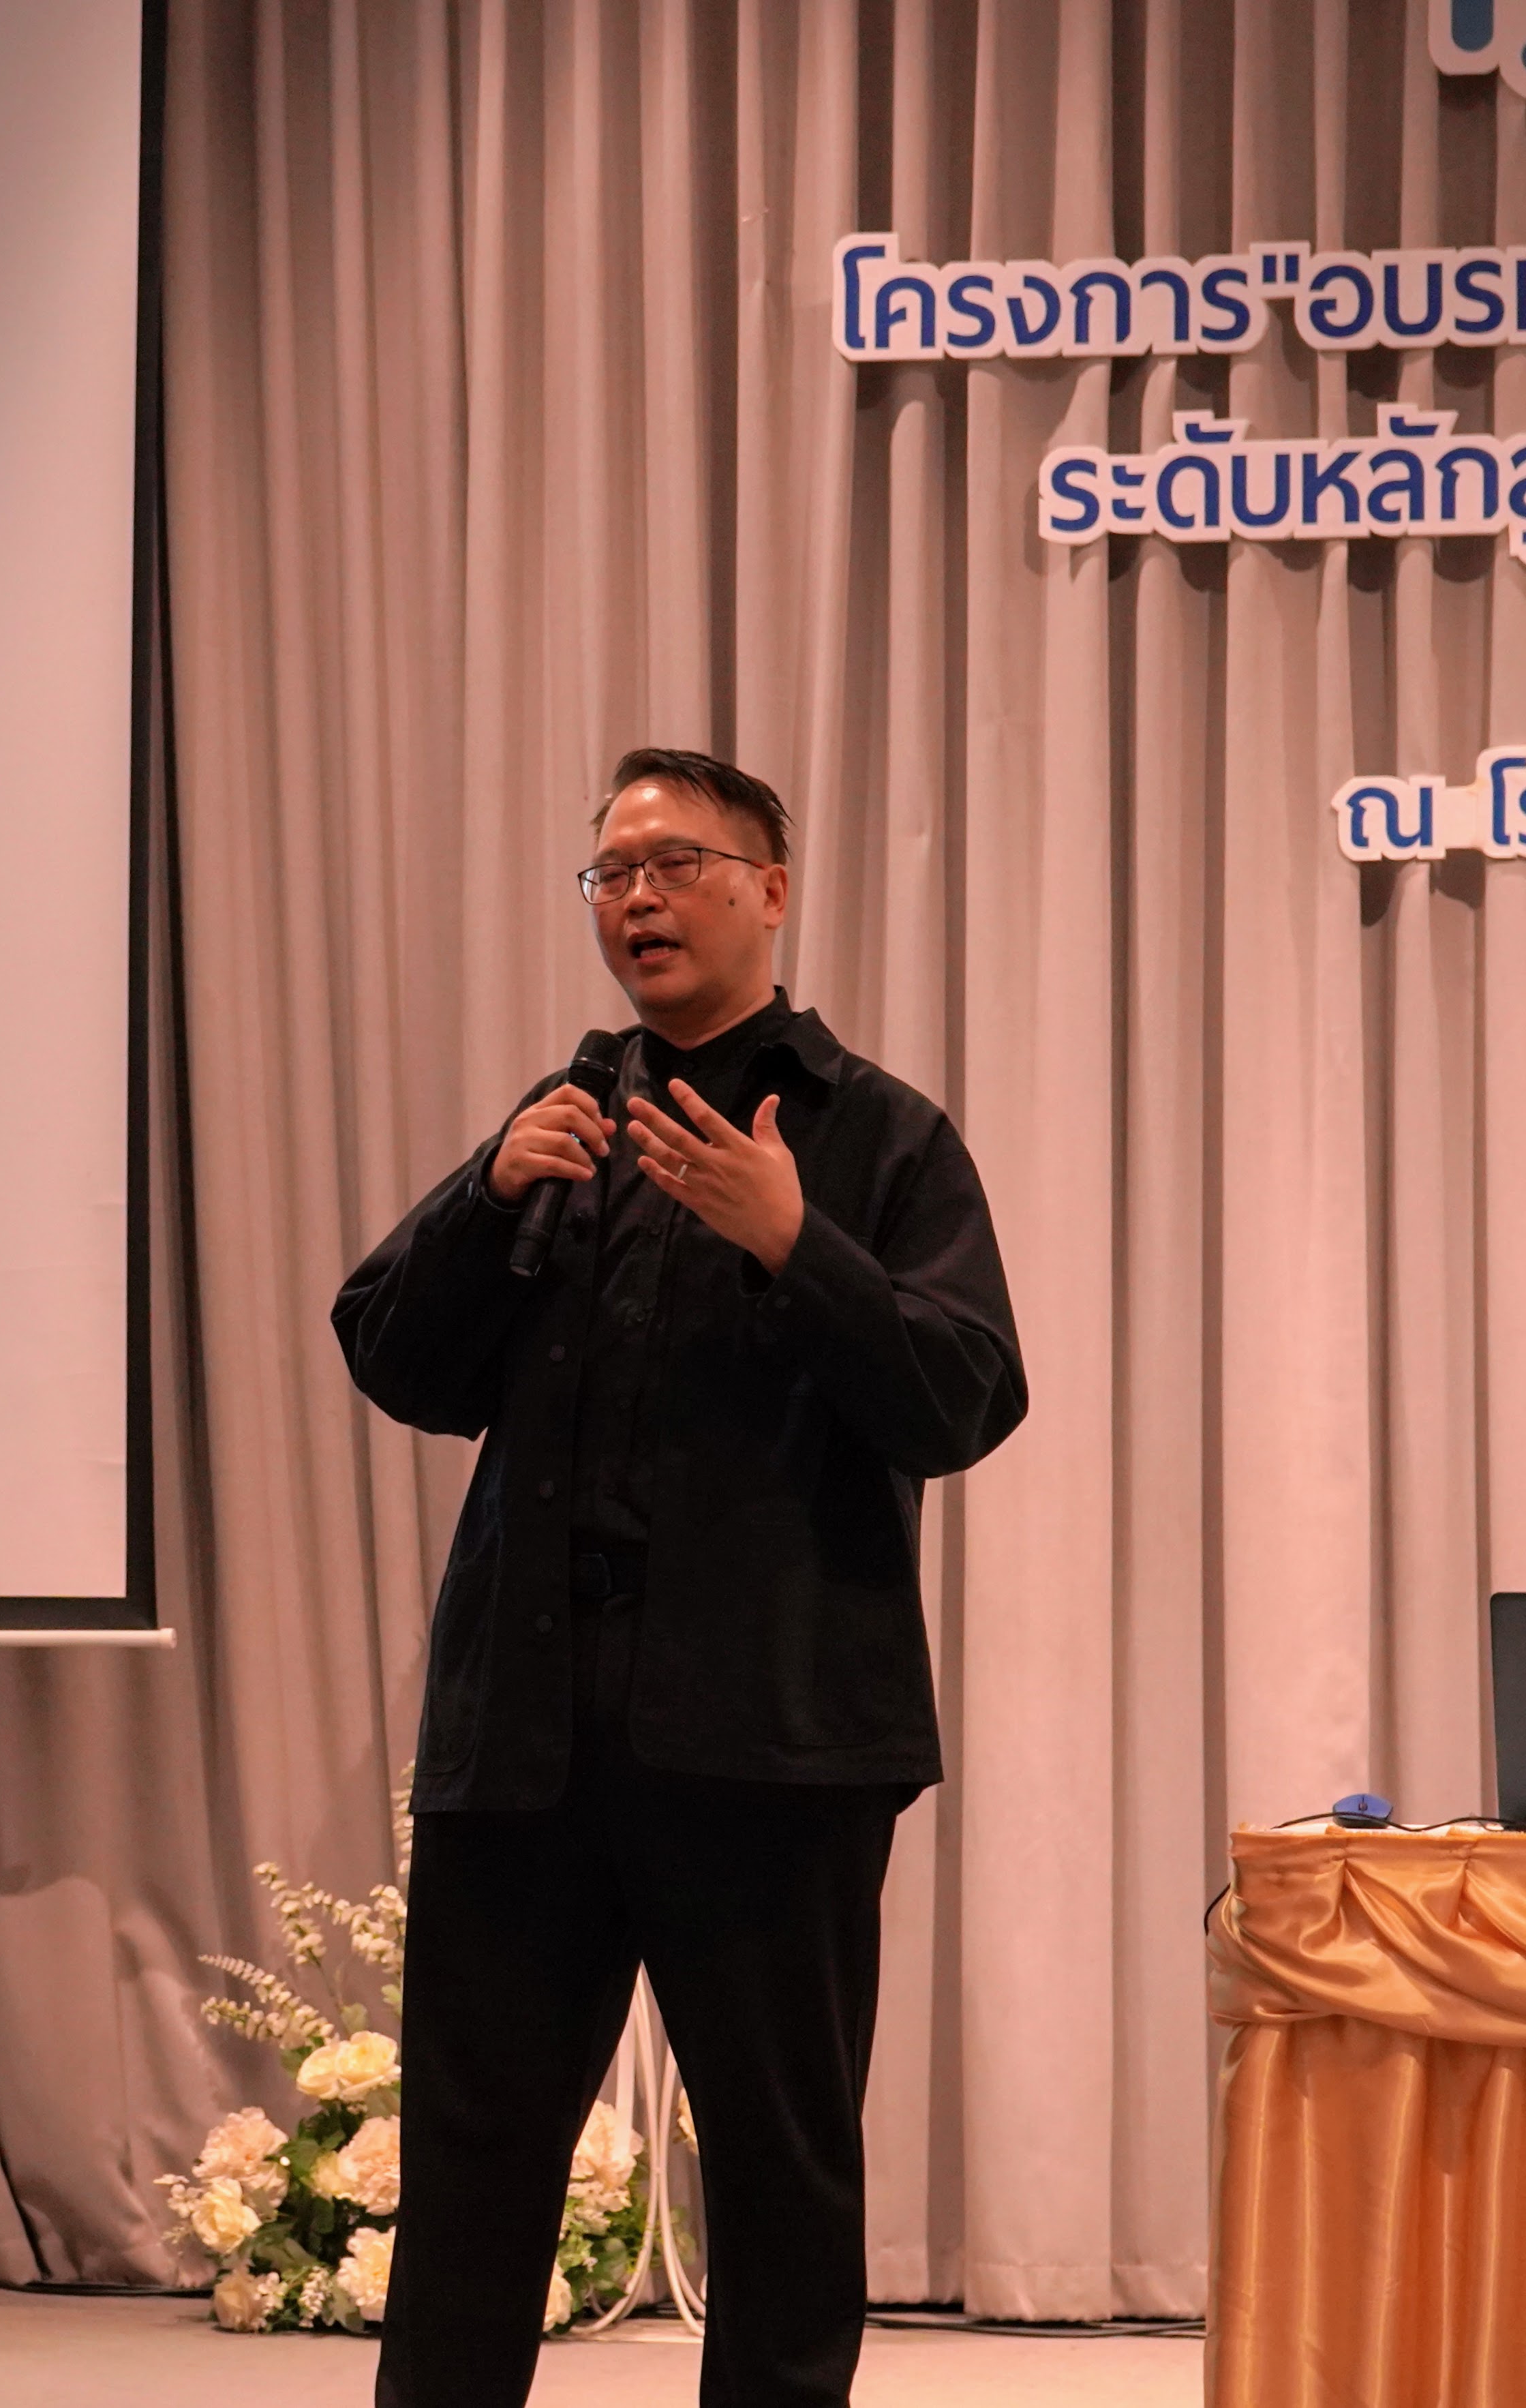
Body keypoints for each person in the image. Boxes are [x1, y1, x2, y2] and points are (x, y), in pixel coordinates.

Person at [333, 747, 1026, 2408]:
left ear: (768, 889)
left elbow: (963, 1396)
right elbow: (396, 1357)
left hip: (770, 1747)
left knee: (781, 2175)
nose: (637, 898)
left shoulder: (876, 1134)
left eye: (674, 864)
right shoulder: (563, 1121)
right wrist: (483, 1192)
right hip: (524, 1738)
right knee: (472, 2167)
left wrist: (794, 1240)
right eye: (611, 874)